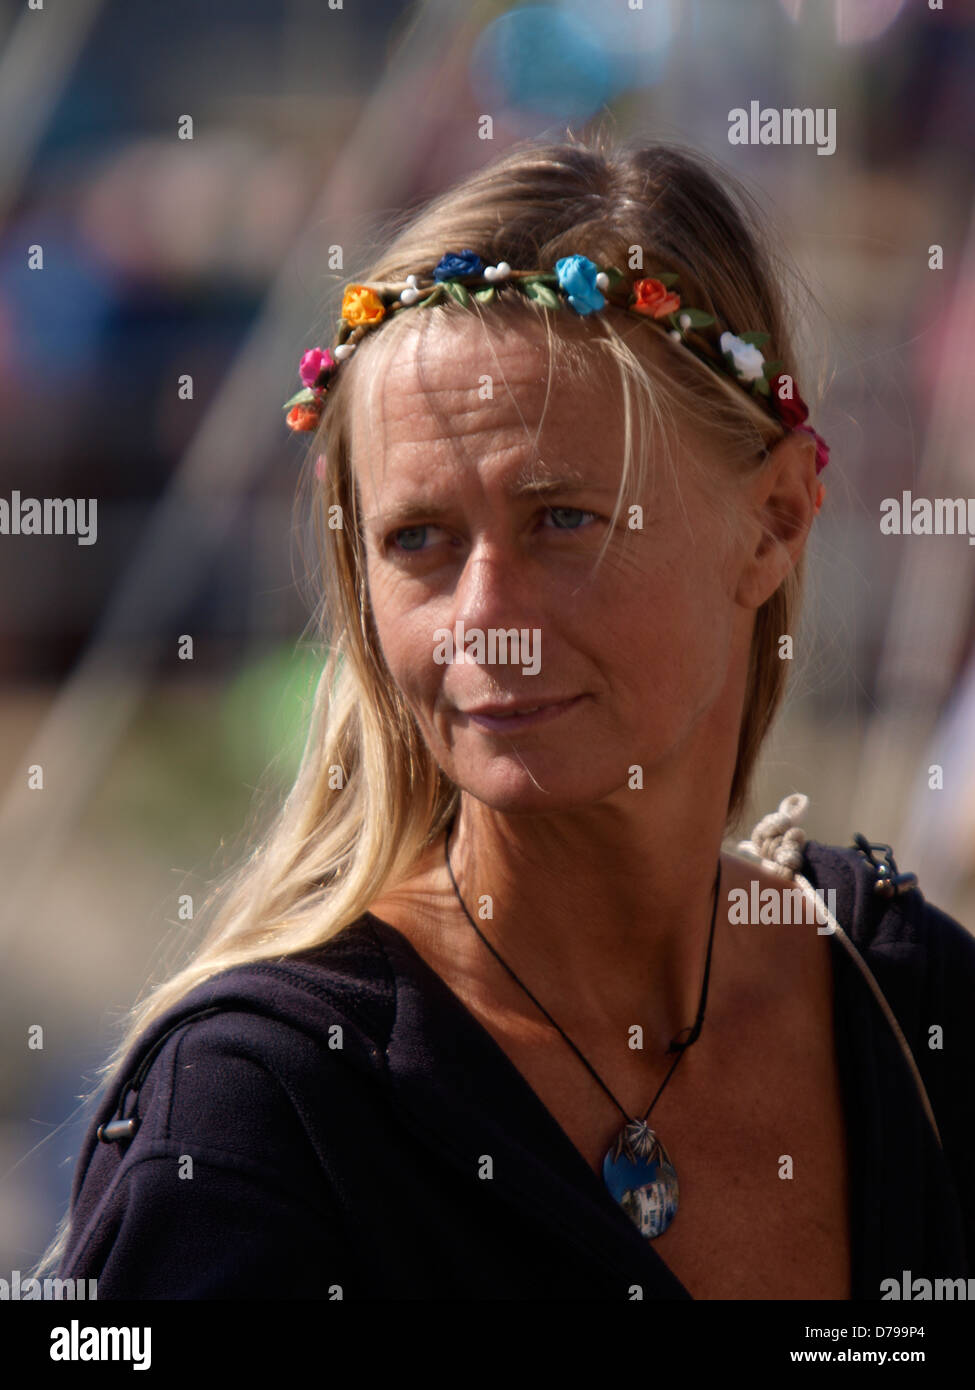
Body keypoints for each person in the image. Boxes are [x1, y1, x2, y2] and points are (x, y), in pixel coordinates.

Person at [37, 133, 974, 1300]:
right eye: (418, 540)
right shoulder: (260, 1117)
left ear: (775, 518)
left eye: (563, 519)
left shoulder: (906, 1004)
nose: (487, 621)